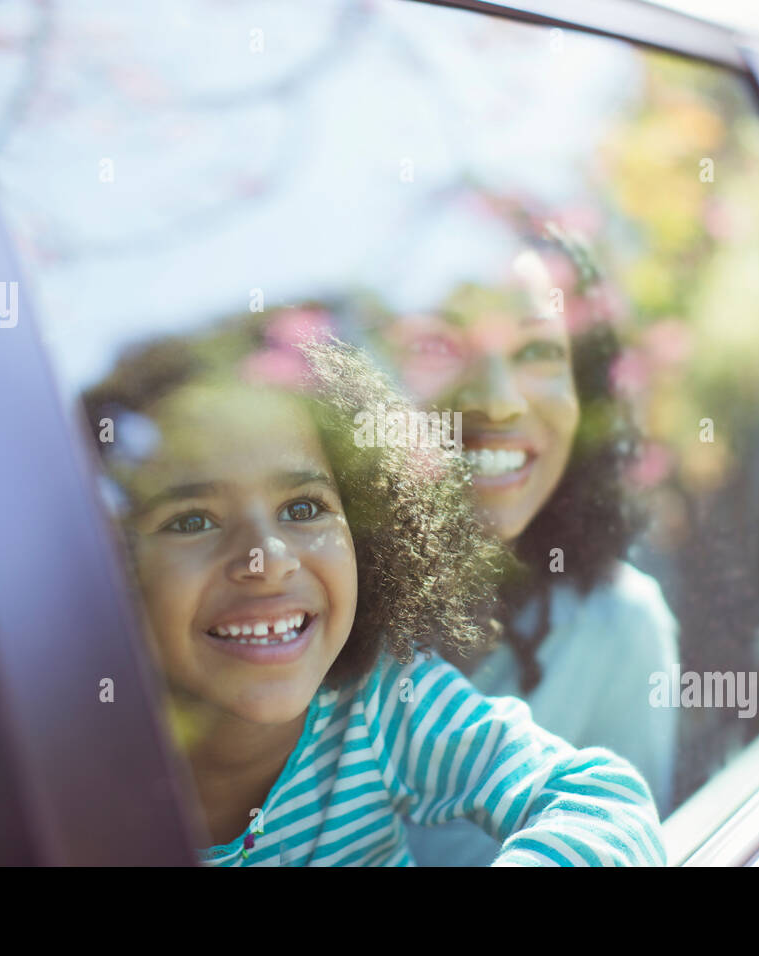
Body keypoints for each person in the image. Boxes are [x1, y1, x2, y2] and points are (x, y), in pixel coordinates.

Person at [79, 327, 667, 866]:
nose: (267, 559)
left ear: (365, 537)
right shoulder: (71, 785)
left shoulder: (379, 704)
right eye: (192, 520)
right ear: (110, 567)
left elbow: (601, 802)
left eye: (303, 508)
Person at [361, 196, 680, 864]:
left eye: (538, 348)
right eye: (442, 346)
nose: (500, 400)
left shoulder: (616, 628)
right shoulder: (287, 618)